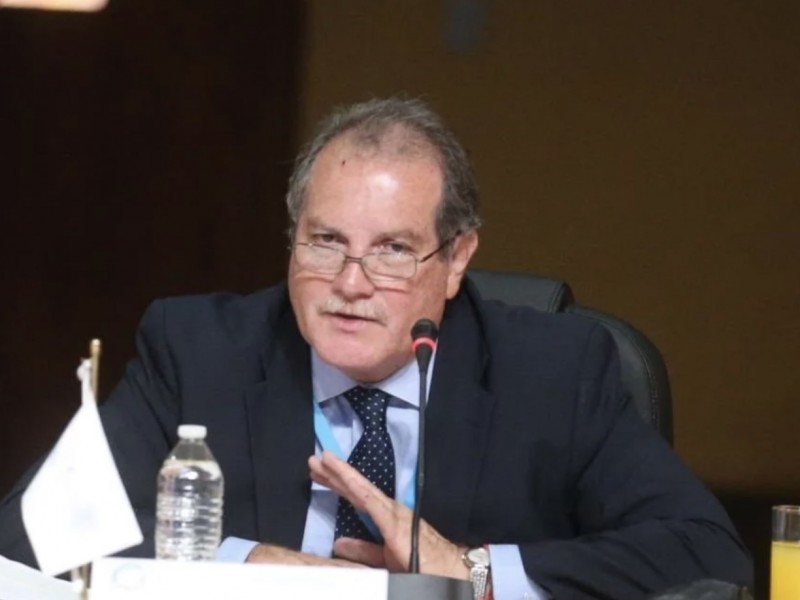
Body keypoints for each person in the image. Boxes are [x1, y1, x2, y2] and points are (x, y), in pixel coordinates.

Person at [0, 97, 752, 599]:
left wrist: (474, 573)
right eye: (326, 241)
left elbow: (707, 554)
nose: (349, 283)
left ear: (456, 260)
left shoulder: (554, 372)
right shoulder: (200, 351)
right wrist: (251, 568)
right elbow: (26, 539)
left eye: (392, 250)